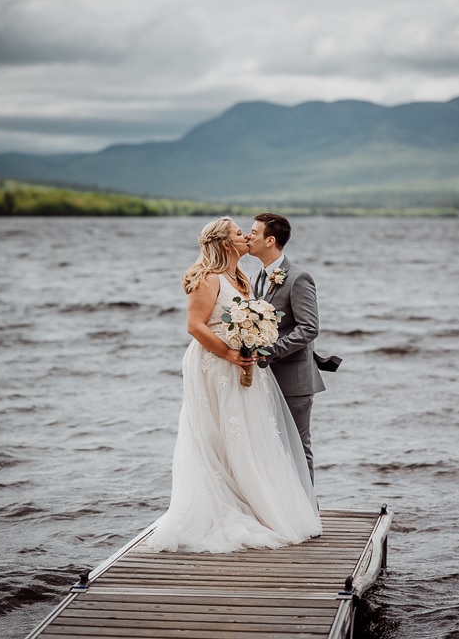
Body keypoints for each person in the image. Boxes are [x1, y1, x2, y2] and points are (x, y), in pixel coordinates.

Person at [139, 216, 321, 554]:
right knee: (218, 434)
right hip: (215, 364)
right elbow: (194, 325)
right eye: (240, 233)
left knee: (248, 435)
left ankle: (256, 504)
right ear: (226, 243)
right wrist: (230, 353)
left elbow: (295, 325)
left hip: (240, 367)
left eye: (250, 232)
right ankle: (224, 508)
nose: (246, 236)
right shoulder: (207, 278)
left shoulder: (242, 278)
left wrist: (253, 346)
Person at [247, 213, 335, 483]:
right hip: (266, 379)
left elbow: (309, 328)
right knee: (271, 447)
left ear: (269, 240)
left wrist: (268, 352)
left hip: (294, 380)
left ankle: (309, 512)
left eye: (253, 232)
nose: (248, 236)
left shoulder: (298, 278)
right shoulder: (257, 277)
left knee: (297, 448)